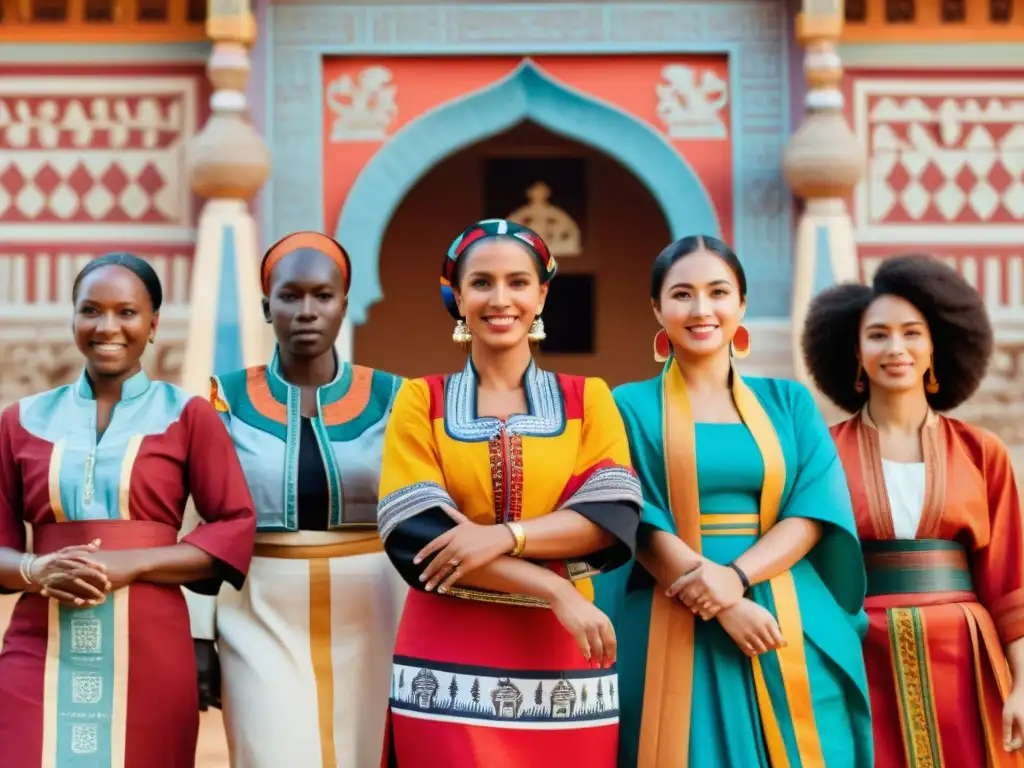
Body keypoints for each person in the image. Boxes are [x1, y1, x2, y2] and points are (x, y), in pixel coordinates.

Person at [376, 218, 642, 767]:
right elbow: (416, 535)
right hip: (445, 656)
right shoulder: (418, 400)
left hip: (565, 654)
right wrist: (557, 591)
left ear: (542, 293)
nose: (501, 299)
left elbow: (610, 516)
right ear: (455, 295)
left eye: (518, 282)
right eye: (481, 283)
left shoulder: (588, 399)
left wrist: (499, 537)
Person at [607, 235, 873, 767]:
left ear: (742, 304)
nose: (701, 309)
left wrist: (738, 578)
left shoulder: (789, 401)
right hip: (672, 608)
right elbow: (632, 515)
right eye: (682, 294)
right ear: (657, 309)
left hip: (784, 611)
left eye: (718, 292)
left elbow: (814, 508)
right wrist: (723, 602)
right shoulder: (625, 405)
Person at [0, 252, 256, 768]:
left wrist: (132, 563)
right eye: (91, 310)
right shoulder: (19, 421)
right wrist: (37, 569)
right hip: (39, 646)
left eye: (127, 312)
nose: (107, 326)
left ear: (153, 323)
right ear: (73, 317)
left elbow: (232, 527)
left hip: (151, 648)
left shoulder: (188, 416)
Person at [802, 254, 1024, 767]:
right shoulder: (821, 454)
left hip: (968, 664)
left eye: (912, 333)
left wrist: (1020, 684)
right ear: (855, 352)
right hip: (858, 660)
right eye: (878, 334)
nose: (895, 348)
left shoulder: (981, 451)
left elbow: (1010, 583)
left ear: (935, 347)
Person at [209, 231, 407, 768]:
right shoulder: (222, 399)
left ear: (346, 302)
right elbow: (195, 518)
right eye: (289, 296)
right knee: (269, 752)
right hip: (258, 607)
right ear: (266, 306)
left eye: (323, 295)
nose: (306, 310)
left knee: (372, 753)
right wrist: (198, 632)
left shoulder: (397, 397)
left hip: (377, 607)